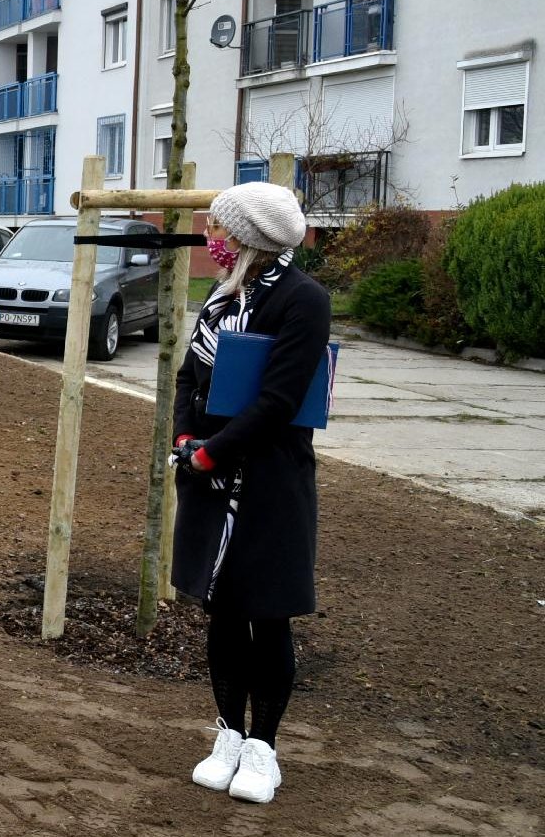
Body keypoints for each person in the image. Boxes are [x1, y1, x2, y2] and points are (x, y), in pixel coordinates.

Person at [171, 181, 329, 805]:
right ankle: (228, 733)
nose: (212, 236)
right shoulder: (219, 296)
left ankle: (264, 747)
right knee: (223, 611)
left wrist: (213, 451)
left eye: (220, 227)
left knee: (268, 613)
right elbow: (191, 373)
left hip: (266, 482)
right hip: (209, 476)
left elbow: (280, 399)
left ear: (248, 238)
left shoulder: (303, 300)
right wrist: (186, 434)